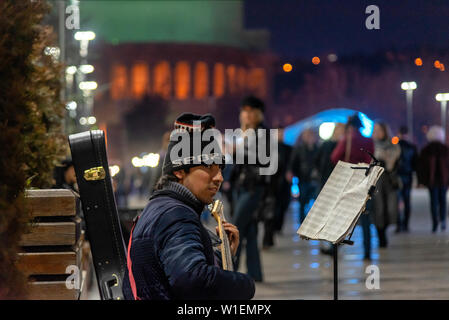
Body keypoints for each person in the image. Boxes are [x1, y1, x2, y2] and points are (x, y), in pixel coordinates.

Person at [122, 113, 255, 300]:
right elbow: (192, 280)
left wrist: (220, 255)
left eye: (220, 168)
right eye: (209, 167)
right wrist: (245, 284)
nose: (219, 178)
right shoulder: (176, 215)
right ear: (178, 171)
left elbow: (176, 270)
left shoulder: (162, 207)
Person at [230, 96, 271, 282]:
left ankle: (231, 270)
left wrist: (237, 150)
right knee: (250, 230)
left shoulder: (262, 133)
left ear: (257, 114)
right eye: (244, 111)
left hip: (254, 189)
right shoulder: (245, 133)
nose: (246, 115)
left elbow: (264, 162)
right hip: (242, 187)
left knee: (235, 228)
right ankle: (255, 273)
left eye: (250, 112)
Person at [331, 115, 374, 260]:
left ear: (350, 126)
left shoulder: (347, 140)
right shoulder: (368, 140)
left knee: (340, 217)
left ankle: (335, 247)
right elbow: (371, 160)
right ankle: (367, 251)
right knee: (366, 218)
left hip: (348, 182)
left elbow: (334, 157)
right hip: (364, 182)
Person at [371, 121, 401, 248]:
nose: (377, 133)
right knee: (379, 208)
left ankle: (385, 230)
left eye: (379, 130)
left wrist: (389, 162)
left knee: (390, 209)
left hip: (389, 181)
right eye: (375, 130)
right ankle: (381, 236)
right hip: (375, 182)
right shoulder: (370, 146)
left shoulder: (394, 147)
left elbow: (398, 165)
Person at [417, 125, 449, 232]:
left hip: (431, 181)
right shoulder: (445, 149)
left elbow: (421, 167)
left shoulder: (425, 150)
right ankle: (443, 220)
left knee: (433, 202)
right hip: (444, 180)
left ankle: (435, 222)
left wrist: (421, 181)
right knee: (442, 201)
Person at [287, 128, 319, 224]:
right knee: (303, 200)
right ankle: (302, 221)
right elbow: (293, 162)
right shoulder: (300, 149)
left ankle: (312, 220)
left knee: (314, 200)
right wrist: (290, 172)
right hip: (303, 178)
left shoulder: (317, 149)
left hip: (314, 179)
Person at [396, 125, 418, 232]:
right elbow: (415, 164)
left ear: (399, 133)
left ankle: (398, 224)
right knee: (407, 200)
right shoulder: (412, 147)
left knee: (397, 200)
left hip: (397, 176)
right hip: (408, 176)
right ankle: (406, 224)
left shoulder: (396, 146)